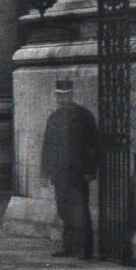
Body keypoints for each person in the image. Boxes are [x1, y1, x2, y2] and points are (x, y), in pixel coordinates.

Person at [41, 77, 101, 259]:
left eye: (66, 96)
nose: (62, 100)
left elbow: (94, 145)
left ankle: (85, 248)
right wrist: (45, 173)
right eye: (60, 97)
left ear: (72, 95)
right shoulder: (54, 118)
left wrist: (90, 170)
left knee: (80, 210)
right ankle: (69, 247)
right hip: (60, 173)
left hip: (78, 172)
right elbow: (47, 146)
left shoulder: (83, 116)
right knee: (63, 209)